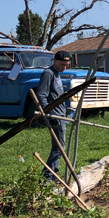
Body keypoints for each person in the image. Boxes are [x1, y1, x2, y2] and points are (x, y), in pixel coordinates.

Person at [37, 50, 71, 182]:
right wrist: (49, 114)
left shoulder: (57, 74)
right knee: (59, 147)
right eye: (62, 64)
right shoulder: (48, 73)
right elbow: (42, 95)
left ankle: (53, 173)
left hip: (61, 114)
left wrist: (67, 109)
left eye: (67, 65)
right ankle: (48, 175)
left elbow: (55, 96)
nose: (65, 67)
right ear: (55, 61)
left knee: (59, 147)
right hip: (55, 116)